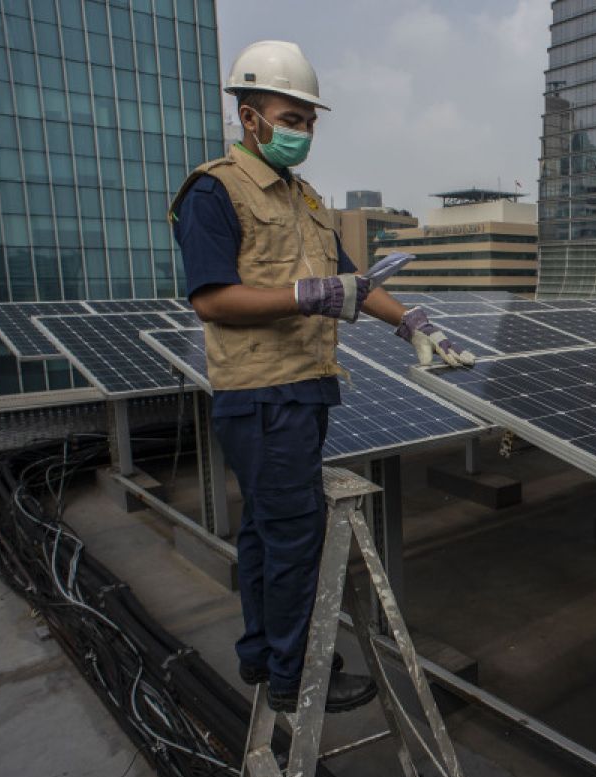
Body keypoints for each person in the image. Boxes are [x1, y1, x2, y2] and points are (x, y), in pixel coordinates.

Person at [170, 40, 474, 713]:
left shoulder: (304, 198)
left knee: (264, 534)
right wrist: (306, 296)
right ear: (250, 118)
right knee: (293, 538)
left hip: (304, 388)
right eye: (289, 118)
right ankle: (297, 675)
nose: (301, 132)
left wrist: (411, 323)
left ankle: (260, 657)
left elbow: (352, 284)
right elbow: (211, 297)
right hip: (261, 394)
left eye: (308, 121)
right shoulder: (214, 192)